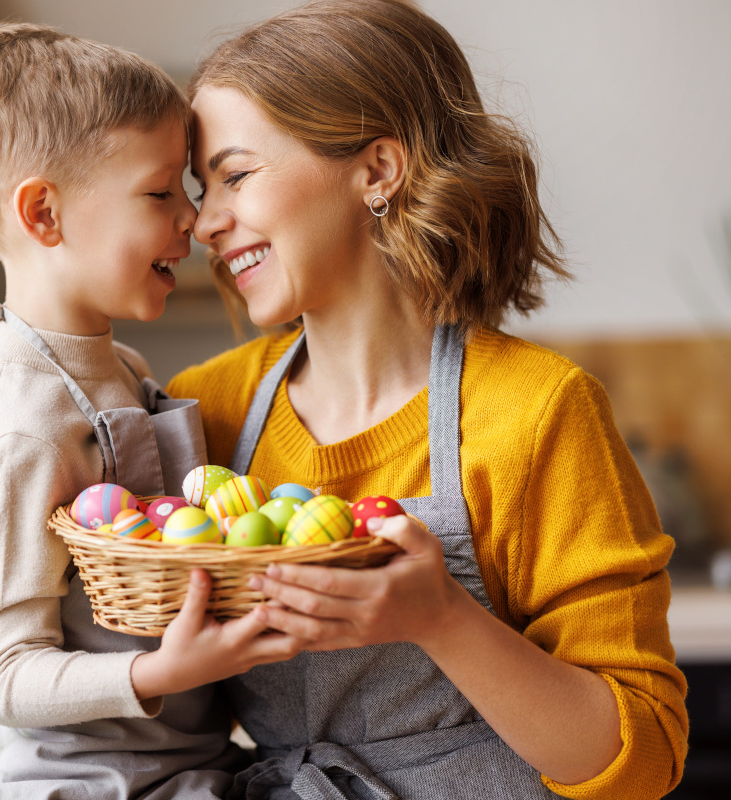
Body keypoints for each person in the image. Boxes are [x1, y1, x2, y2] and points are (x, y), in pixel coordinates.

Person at [168, 1, 688, 798]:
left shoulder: (537, 412)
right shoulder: (204, 410)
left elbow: (642, 758)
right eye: (203, 188)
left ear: (378, 170)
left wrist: (441, 618)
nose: (205, 221)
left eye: (236, 175)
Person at [0, 23, 302, 799]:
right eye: (161, 193)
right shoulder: (22, 426)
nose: (193, 220)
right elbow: (4, 675)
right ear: (44, 215)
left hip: (182, 764)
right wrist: (161, 670)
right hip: (87, 782)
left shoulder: (119, 368)